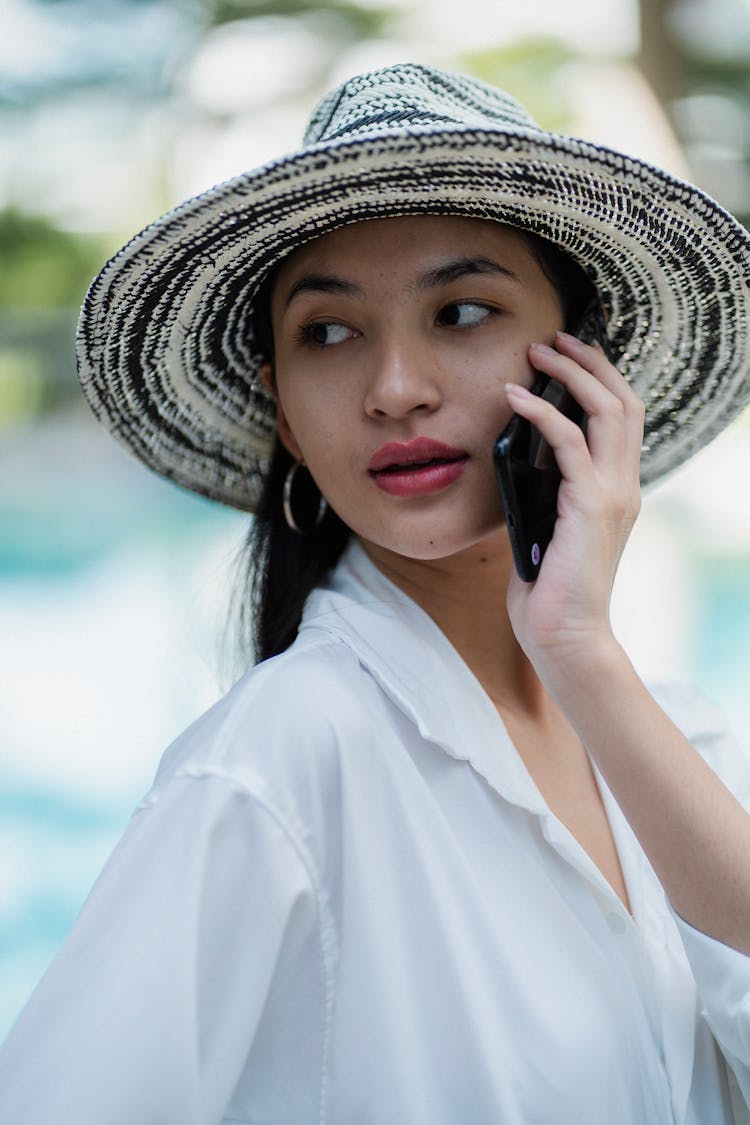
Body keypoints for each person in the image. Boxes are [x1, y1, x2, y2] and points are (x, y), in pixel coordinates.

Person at [2, 62, 750, 1125]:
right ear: (285, 415)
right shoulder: (276, 763)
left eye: (463, 310)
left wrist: (581, 651)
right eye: (330, 333)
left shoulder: (678, 733)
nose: (395, 387)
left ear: (580, 367)